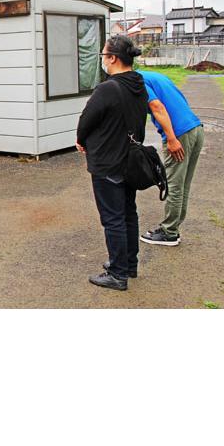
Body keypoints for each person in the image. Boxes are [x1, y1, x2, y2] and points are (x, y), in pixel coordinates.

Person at [76, 35, 148, 291]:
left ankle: (118, 274)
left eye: (104, 55)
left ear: (113, 58)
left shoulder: (108, 87)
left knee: (112, 218)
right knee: (128, 213)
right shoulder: (138, 83)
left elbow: (87, 119)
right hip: (130, 161)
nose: (103, 60)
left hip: (108, 161)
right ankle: (128, 264)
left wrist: (81, 139)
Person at [139, 70, 204, 246]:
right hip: (195, 127)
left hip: (179, 134)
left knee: (174, 184)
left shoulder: (137, 80)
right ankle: (173, 227)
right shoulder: (154, 76)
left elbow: (157, 106)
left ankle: (169, 233)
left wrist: (171, 138)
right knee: (183, 184)